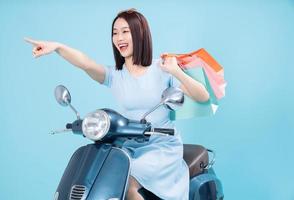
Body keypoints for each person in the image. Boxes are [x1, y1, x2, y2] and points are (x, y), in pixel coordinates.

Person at [25, 8, 209, 200]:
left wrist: (176, 71)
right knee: (101, 172)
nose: (119, 37)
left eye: (125, 31)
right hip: (127, 146)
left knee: (127, 182)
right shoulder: (115, 76)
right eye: (115, 33)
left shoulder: (161, 69)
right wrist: (57, 47)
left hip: (160, 146)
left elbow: (202, 96)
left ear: (139, 34)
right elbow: (86, 64)